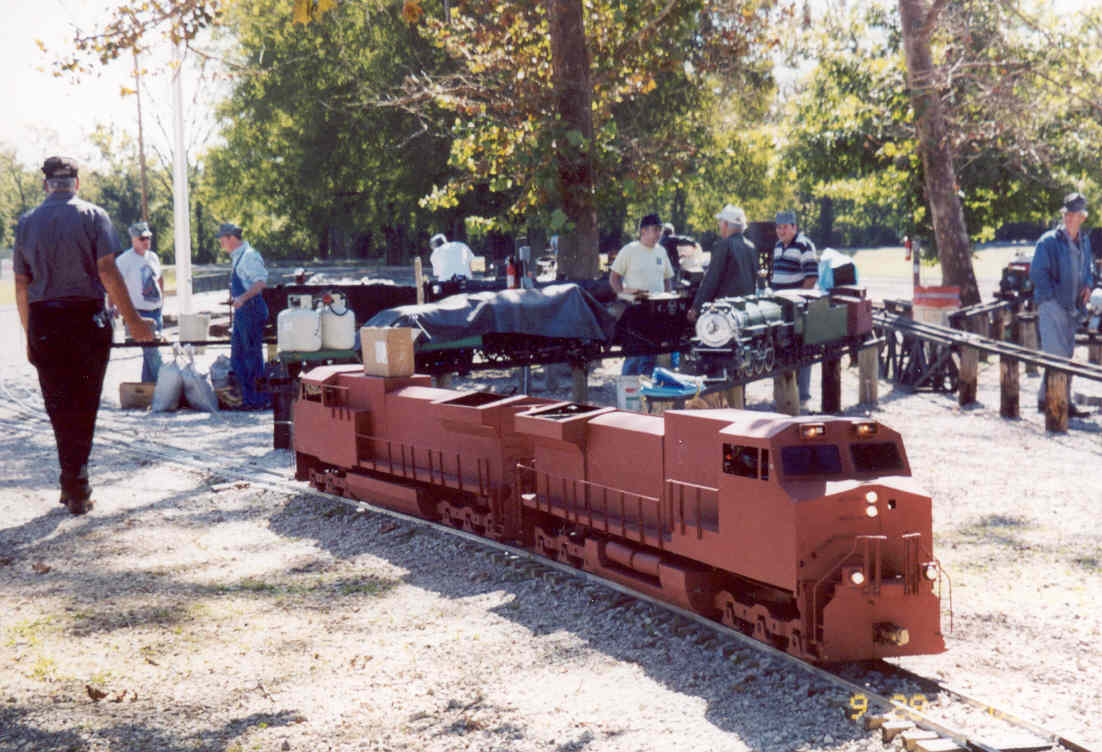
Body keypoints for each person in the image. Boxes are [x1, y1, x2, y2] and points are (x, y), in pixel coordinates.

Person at [13, 156, 153, 515]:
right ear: (76, 183)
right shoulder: (94, 216)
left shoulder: (26, 223)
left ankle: (71, 478)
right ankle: (78, 481)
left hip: (45, 320)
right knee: (85, 403)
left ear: (45, 184)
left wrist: (30, 334)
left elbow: (21, 284)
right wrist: (134, 321)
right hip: (86, 320)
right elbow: (107, 270)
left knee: (58, 405)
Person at [1029, 192, 1093, 417]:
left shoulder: (1084, 241)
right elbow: (1037, 274)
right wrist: (1052, 298)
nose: (1069, 218)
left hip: (1072, 307)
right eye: (1067, 214)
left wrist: (1088, 285)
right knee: (1056, 356)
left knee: (1065, 354)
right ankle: (1060, 404)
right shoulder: (1048, 241)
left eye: (1074, 215)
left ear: (1082, 217)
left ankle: (1044, 399)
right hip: (1052, 306)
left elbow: (1088, 269)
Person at [610, 213, 674, 376]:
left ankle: (646, 388)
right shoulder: (629, 250)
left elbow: (667, 279)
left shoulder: (661, 251)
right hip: (635, 310)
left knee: (651, 355)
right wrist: (622, 296)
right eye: (655, 229)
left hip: (657, 312)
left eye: (660, 230)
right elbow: (614, 278)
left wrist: (667, 300)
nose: (659, 234)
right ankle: (627, 387)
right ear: (643, 231)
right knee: (634, 355)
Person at [217, 222, 270, 410]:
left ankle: (258, 400)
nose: (221, 243)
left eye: (222, 239)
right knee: (238, 357)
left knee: (251, 357)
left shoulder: (249, 256)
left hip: (252, 311)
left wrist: (243, 298)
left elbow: (260, 283)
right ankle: (248, 398)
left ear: (231, 238)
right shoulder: (238, 257)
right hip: (244, 312)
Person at [771, 209, 819, 402]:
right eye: (778, 228)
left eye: (785, 227)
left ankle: (803, 394)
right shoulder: (777, 246)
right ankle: (784, 394)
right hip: (779, 307)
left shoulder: (804, 245)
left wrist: (797, 300)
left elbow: (811, 278)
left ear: (794, 227)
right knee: (780, 347)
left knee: (802, 349)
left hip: (797, 307)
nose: (781, 231)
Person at [688, 205, 757, 322]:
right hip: (746, 312)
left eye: (720, 222)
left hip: (725, 313)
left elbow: (711, 280)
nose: (719, 225)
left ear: (726, 224)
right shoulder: (751, 247)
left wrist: (696, 307)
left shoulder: (723, 245)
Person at [114, 221, 164, 383]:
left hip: (156, 311)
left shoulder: (153, 257)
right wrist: (114, 306)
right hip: (139, 313)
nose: (146, 241)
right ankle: (165, 383)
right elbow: (115, 284)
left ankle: (149, 388)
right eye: (142, 238)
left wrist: (162, 301)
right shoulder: (124, 260)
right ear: (133, 240)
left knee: (150, 353)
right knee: (152, 352)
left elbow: (160, 278)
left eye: (148, 238)